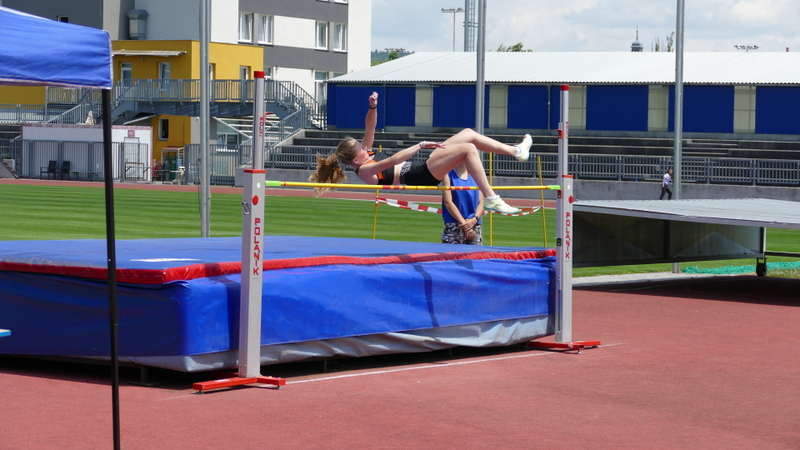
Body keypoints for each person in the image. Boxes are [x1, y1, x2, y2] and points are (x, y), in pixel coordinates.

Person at [309, 92, 532, 214]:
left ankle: (517, 151)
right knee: (468, 149)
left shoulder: (363, 156)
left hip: (423, 167)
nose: (364, 146)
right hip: (421, 175)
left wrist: (373, 107)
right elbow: (393, 160)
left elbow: (370, 127)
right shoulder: (365, 171)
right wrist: (421, 145)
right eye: (360, 147)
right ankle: (491, 198)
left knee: (468, 134)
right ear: (356, 159)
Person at [441, 163, 484, 245]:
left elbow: (481, 203)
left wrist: (474, 219)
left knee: (474, 252)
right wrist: (464, 223)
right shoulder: (447, 174)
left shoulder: (477, 175)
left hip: (473, 224)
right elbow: (448, 202)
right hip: (454, 223)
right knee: (451, 252)